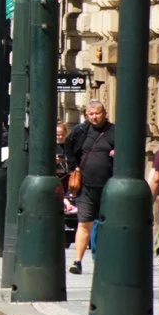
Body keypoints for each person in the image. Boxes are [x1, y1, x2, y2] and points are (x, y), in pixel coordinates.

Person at [63, 99, 116, 273]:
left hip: (108, 186)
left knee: (105, 223)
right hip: (85, 186)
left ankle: (102, 258)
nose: (94, 117)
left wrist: (117, 153)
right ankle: (77, 261)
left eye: (97, 113)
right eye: (91, 114)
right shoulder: (81, 131)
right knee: (84, 223)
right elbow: (68, 147)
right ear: (87, 115)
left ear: (104, 113)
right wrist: (74, 167)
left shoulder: (114, 131)